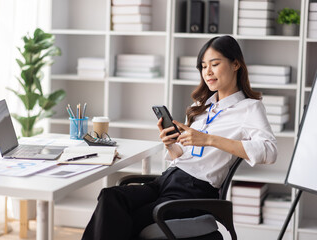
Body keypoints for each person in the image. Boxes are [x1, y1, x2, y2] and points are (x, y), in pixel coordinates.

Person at [81, 35, 277, 240]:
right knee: (111, 197)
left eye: (215, 64)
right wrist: (171, 144)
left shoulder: (249, 108)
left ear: (235, 63)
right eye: (203, 66)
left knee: (128, 220)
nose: (207, 72)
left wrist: (209, 139)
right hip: (166, 180)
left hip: (193, 192)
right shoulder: (200, 107)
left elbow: (270, 152)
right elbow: (183, 158)